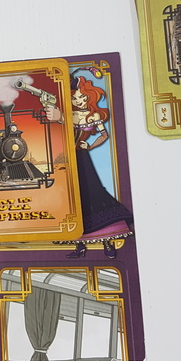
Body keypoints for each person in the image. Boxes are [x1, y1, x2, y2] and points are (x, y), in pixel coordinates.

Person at [67, 72, 133, 258]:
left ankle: (107, 242)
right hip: (68, 160)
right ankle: (79, 245)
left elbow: (104, 135)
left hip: (83, 158)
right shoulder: (67, 114)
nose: (79, 101)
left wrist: (89, 146)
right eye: (74, 98)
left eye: (82, 97)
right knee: (72, 199)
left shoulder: (93, 115)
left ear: (89, 96)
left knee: (93, 193)